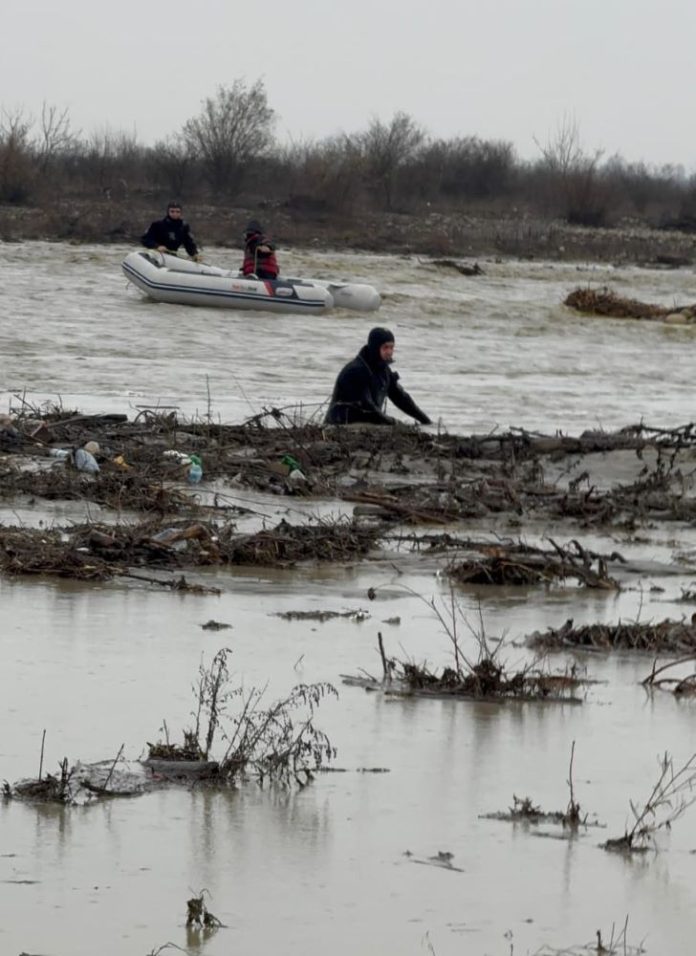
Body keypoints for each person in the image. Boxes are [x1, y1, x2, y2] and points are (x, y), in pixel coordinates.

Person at [325, 327, 432, 426]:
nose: (389, 352)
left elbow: (401, 398)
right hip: (341, 425)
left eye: (391, 347)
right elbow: (368, 407)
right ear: (375, 348)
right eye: (385, 347)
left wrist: (426, 422)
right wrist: (395, 423)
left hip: (369, 423)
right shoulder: (356, 371)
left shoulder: (384, 370)